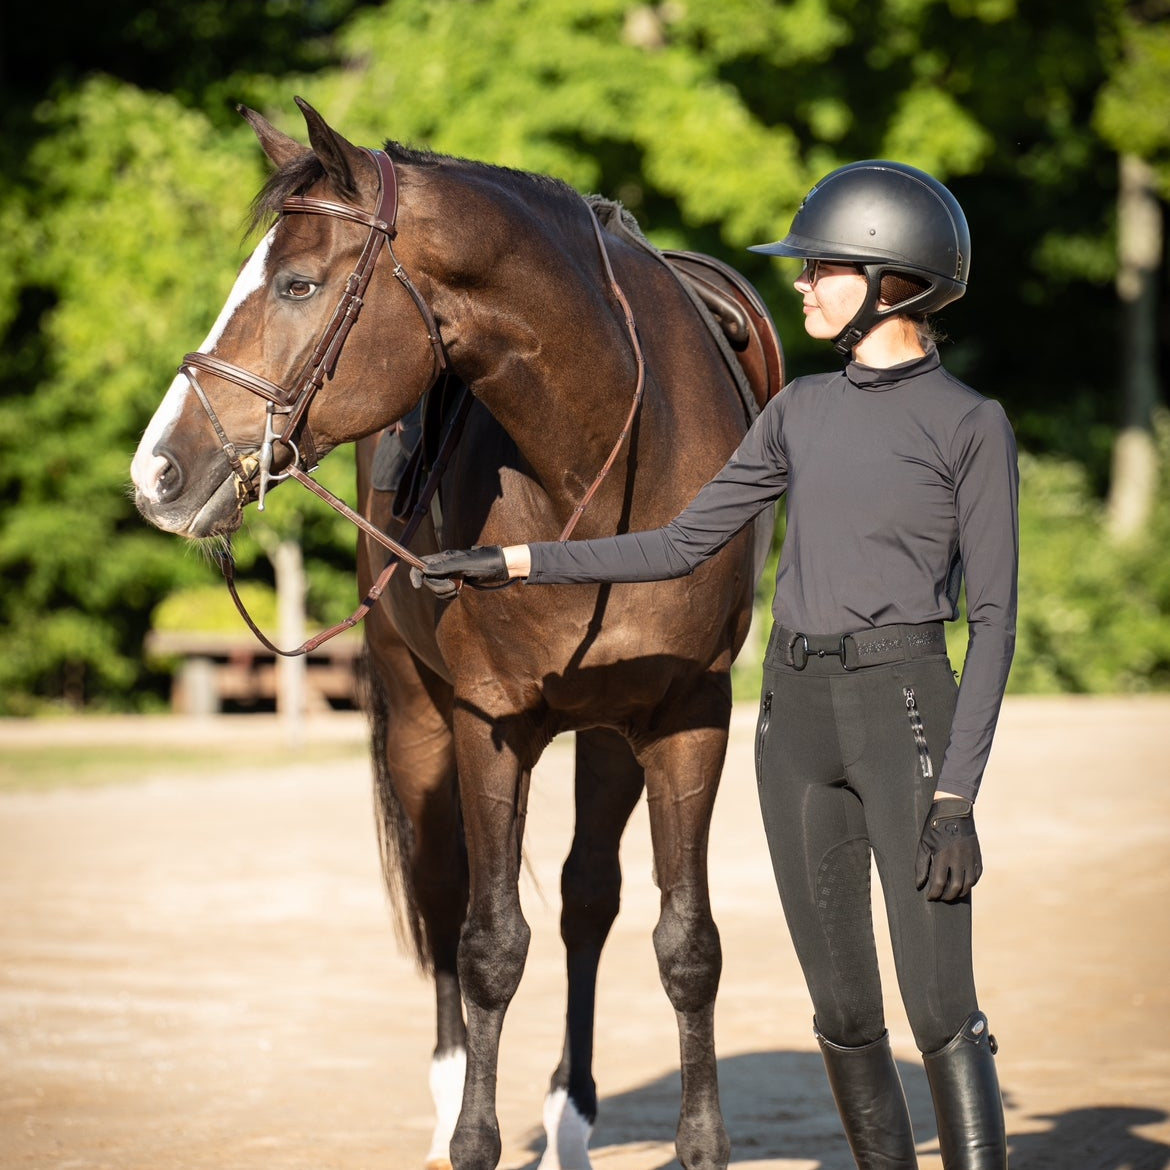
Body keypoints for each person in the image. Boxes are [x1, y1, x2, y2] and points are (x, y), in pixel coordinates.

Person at [412, 160, 1017, 1170]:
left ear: (892, 280)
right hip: (797, 721)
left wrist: (957, 794)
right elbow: (680, 543)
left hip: (904, 710)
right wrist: (514, 559)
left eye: (824, 268)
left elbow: (993, 621)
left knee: (941, 1004)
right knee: (844, 1008)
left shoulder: (970, 425)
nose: (803, 285)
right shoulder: (794, 414)